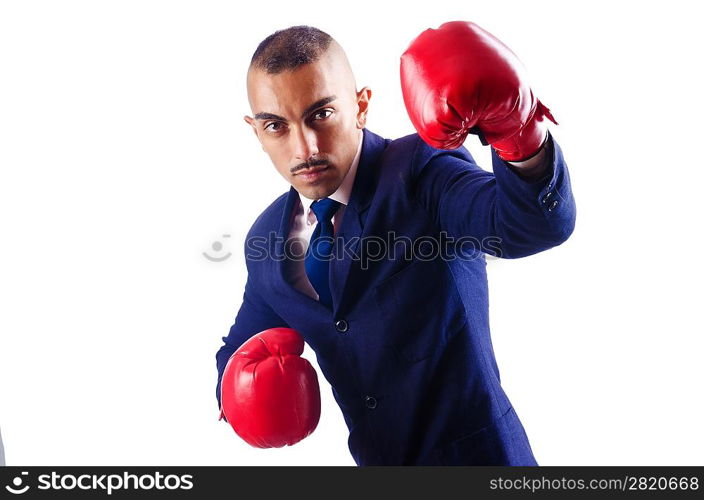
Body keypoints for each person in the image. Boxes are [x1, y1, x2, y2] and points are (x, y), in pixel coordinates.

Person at [215, 24, 576, 465]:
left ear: (361, 106)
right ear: (256, 132)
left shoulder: (421, 170)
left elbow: (530, 223)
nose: (304, 147)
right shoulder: (269, 239)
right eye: (276, 126)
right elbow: (240, 346)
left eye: (321, 115)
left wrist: (519, 135)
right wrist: (237, 392)